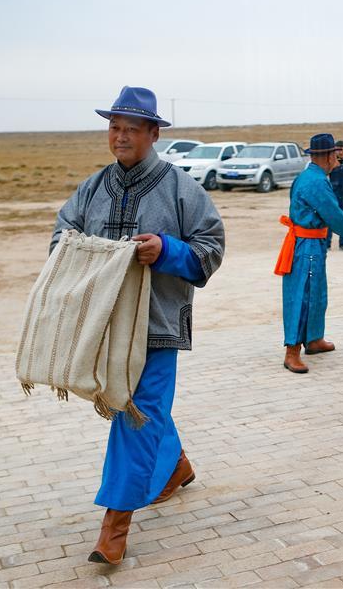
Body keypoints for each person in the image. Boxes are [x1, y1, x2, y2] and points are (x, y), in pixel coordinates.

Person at [50, 86, 225, 565]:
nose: (120, 136)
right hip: (104, 328)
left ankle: (115, 525)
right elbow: (60, 238)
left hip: (159, 325)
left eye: (131, 128)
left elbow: (211, 248)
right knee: (135, 406)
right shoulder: (92, 188)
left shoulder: (181, 190)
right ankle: (177, 467)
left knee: (135, 414)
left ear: (153, 134)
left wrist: (166, 251)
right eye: (114, 127)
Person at [275, 133, 343, 374]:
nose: (338, 161)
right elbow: (335, 216)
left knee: (317, 293)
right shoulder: (315, 182)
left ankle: (314, 339)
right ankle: (292, 352)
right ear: (327, 156)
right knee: (303, 295)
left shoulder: (311, 176)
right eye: (335, 156)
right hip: (306, 246)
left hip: (313, 245)